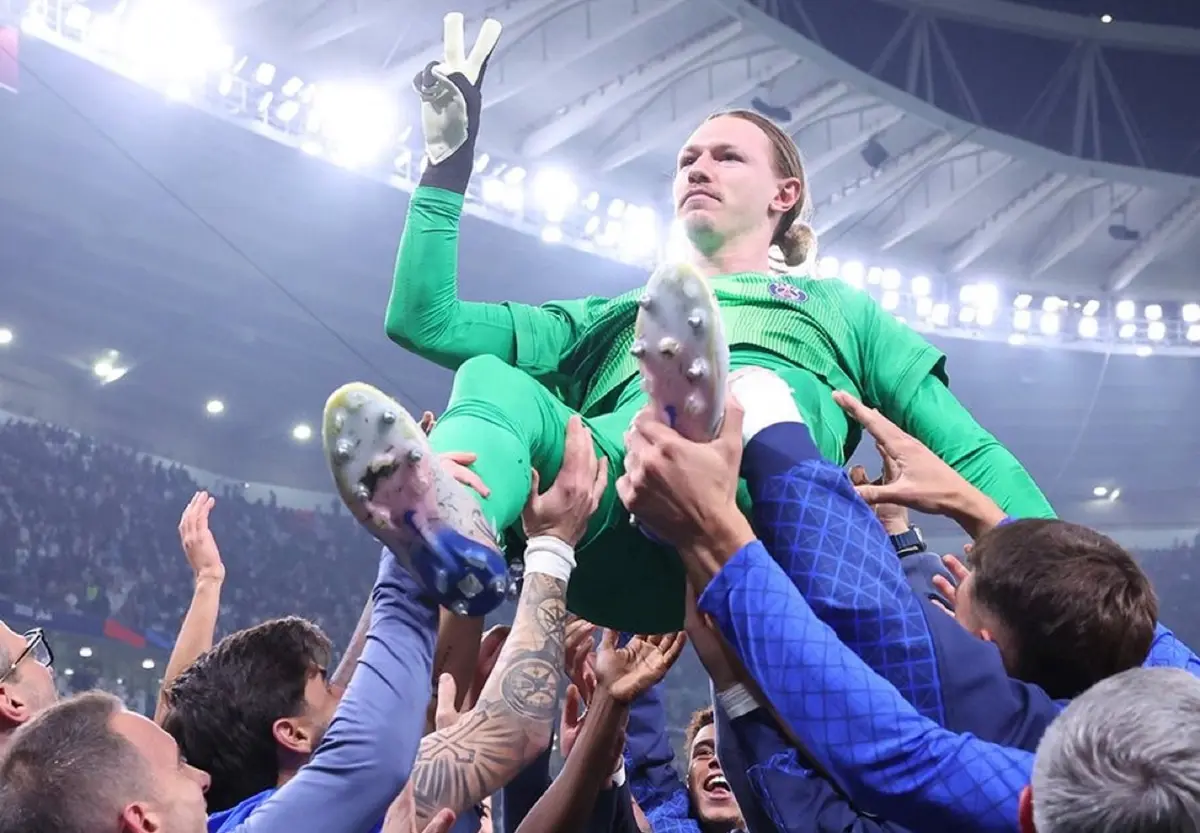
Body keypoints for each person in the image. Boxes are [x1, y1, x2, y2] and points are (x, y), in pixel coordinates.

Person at [322, 12, 1053, 632]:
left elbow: (973, 454)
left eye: (727, 157)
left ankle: (703, 427)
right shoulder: (618, 315)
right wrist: (445, 168)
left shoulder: (843, 311)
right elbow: (427, 321)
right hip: (609, 543)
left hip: (748, 536)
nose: (698, 168)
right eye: (687, 159)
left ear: (784, 193)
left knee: (758, 386)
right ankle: (460, 532)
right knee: (490, 377)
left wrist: (1066, 580)